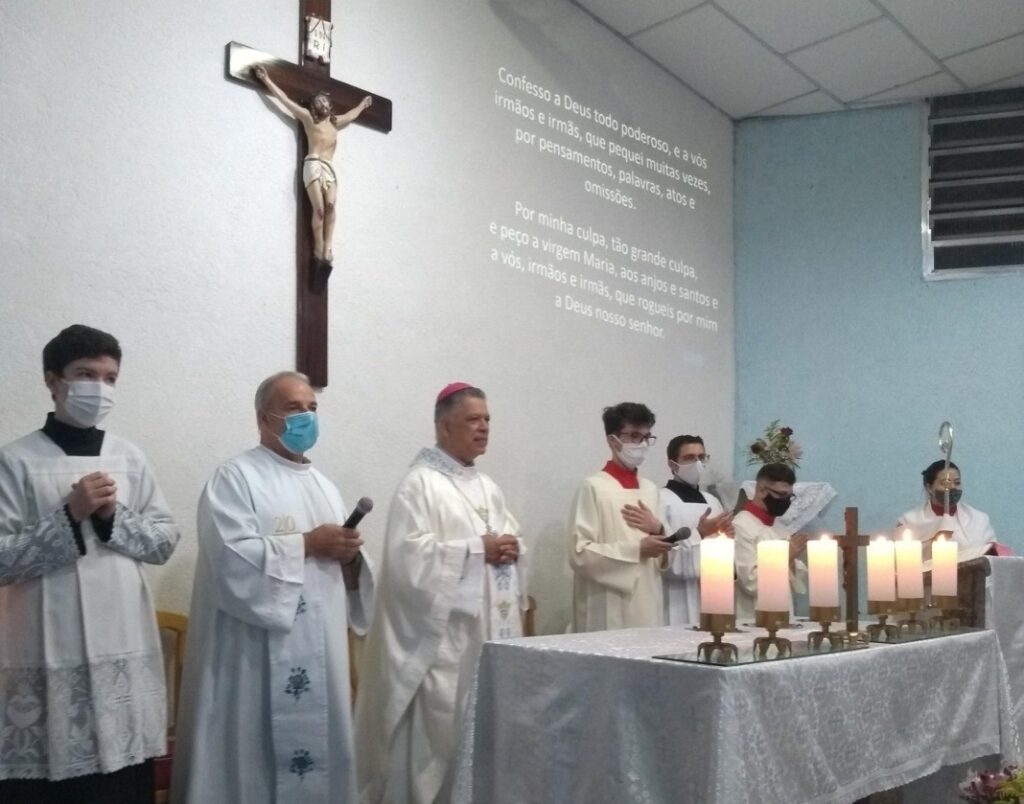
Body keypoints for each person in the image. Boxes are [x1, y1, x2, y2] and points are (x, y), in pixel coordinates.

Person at [172, 371, 373, 804]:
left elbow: (345, 573)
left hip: (319, 654)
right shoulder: (235, 478)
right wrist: (307, 543)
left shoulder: (324, 486)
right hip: (250, 658)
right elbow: (229, 560)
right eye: (294, 408)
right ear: (264, 419)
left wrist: (350, 557)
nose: (307, 417)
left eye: (313, 408)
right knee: (249, 759)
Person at [0, 325, 179, 803]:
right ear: (52, 380)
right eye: (85, 374)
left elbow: (163, 543)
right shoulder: (16, 461)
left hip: (123, 642)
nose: (98, 388)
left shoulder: (130, 457)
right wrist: (69, 515)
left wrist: (110, 517)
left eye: (110, 377)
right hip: (43, 649)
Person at [354, 383, 526, 804]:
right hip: (441, 645)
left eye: (487, 419)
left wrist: (512, 547)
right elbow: (407, 561)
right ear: (443, 427)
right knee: (437, 740)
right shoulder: (420, 484)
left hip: (485, 636)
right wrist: (475, 551)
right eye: (473, 419)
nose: (483, 427)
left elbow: (507, 534)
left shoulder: (487, 486)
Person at [253, 65, 372, 270]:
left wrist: (362, 105)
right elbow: (285, 101)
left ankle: (328, 247)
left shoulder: (336, 123)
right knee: (319, 210)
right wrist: (267, 80)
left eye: (325, 101)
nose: (322, 104)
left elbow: (352, 114)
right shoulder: (309, 120)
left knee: (332, 206)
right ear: (314, 107)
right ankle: (318, 248)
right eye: (318, 102)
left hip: (328, 167)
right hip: (313, 164)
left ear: (330, 105)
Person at [568, 402, 668, 632]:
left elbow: (663, 553)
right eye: (634, 436)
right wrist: (636, 549)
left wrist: (659, 530)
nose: (641, 444)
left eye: (646, 437)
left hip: (647, 601)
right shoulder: (593, 487)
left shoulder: (650, 489)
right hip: (607, 603)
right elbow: (579, 552)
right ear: (612, 440)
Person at [659, 434, 733, 626]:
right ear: (673, 465)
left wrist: (728, 540)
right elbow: (663, 556)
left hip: (712, 591)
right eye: (689, 458)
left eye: (701, 457)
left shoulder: (712, 501)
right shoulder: (661, 500)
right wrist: (700, 533)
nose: (697, 463)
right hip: (674, 594)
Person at [733, 463, 808, 622]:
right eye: (781, 495)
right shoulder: (741, 525)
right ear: (761, 490)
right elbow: (750, 582)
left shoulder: (779, 527)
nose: (785, 501)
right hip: (755, 616)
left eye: (789, 496)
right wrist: (785, 557)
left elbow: (795, 581)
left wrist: (792, 560)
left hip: (783, 610)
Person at [896, 460, 995, 551]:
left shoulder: (979, 519)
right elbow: (901, 560)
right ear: (929, 488)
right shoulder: (908, 521)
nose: (953, 487)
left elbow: (993, 554)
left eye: (957, 483)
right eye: (945, 483)